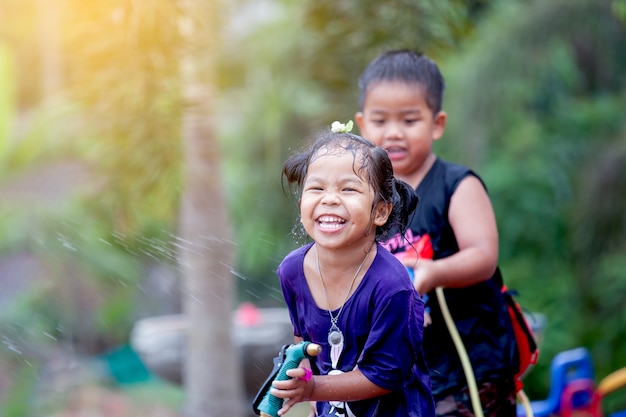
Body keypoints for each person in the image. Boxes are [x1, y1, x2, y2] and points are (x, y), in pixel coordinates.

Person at [355, 50, 518, 416]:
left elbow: (483, 256)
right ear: (363, 125)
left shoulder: (455, 186)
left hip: (470, 367)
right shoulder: (363, 197)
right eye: (380, 120)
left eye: (410, 120)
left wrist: (432, 273)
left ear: (437, 124)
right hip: (405, 368)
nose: (393, 132)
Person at [270, 126, 435, 417]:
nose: (329, 199)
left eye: (348, 189)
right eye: (317, 188)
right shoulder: (292, 271)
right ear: (301, 205)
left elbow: (386, 374)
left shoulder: (392, 287)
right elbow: (303, 344)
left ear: (380, 211)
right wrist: (310, 398)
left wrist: (313, 389)